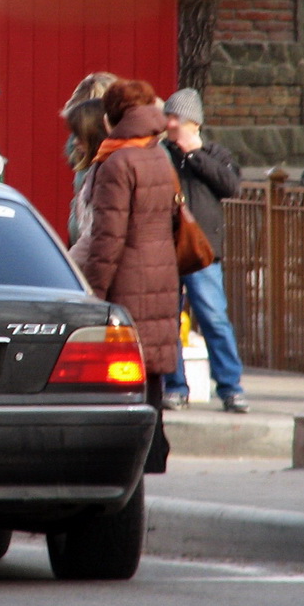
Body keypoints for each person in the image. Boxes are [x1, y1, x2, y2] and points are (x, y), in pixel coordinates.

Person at [70, 79, 179, 472]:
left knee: (120, 370)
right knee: (150, 372)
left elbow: (108, 237)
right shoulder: (157, 156)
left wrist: (93, 292)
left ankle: (134, 458)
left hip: (129, 277)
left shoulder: (117, 162)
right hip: (162, 273)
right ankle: (156, 450)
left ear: (112, 116)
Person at [159, 89, 250, 414]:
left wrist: (194, 154)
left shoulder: (215, 153)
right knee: (168, 321)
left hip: (202, 251)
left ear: (192, 122)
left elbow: (230, 186)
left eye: (174, 118)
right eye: (166, 117)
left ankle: (231, 388)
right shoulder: (160, 154)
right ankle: (175, 387)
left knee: (213, 318)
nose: (168, 124)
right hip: (165, 250)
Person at [64, 98, 109, 245]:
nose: (74, 142)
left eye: (79, 135)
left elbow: (100, 235)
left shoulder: (110, 172)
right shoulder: (91, 168)